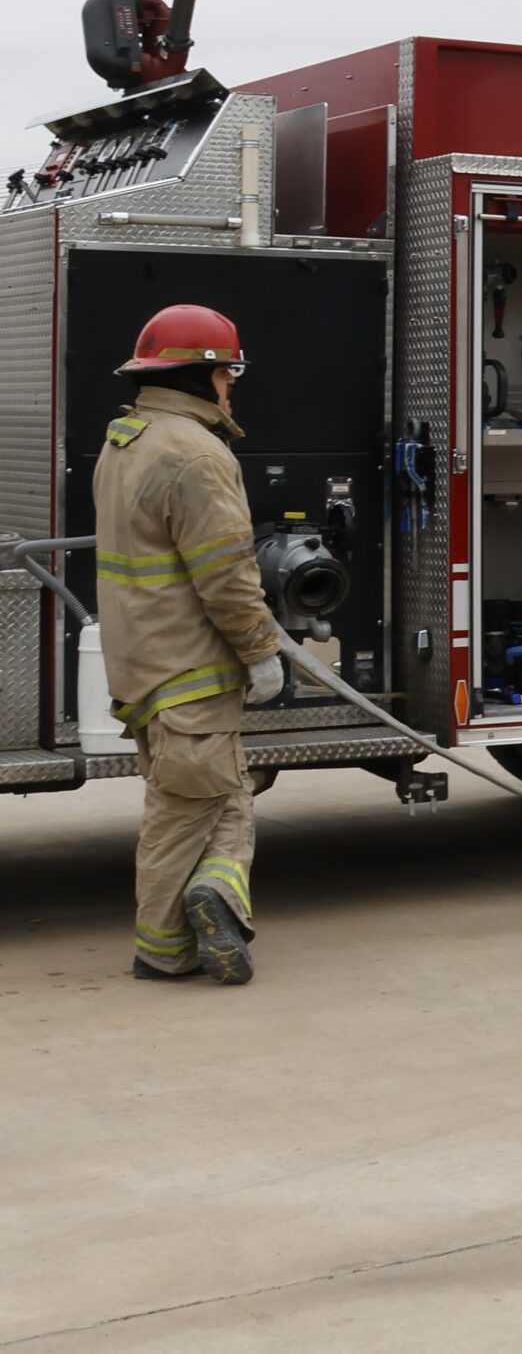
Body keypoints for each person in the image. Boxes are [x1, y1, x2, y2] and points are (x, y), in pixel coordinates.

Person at [94, 304, 285, 984]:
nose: (233, 385)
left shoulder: (127, 439)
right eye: (228, 371)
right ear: (202, 374)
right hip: (192, 672)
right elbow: (227, 577)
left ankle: (221, 895)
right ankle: (165, 949)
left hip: (145, 667)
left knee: (224, 798)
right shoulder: (197, 455)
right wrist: (262, 650)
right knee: (183, 814)